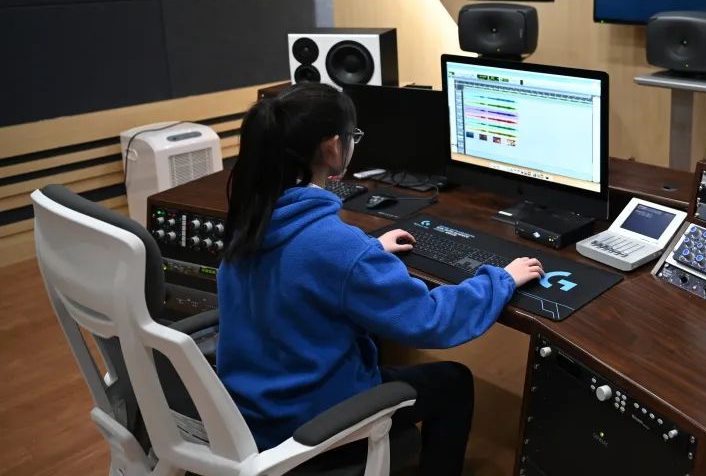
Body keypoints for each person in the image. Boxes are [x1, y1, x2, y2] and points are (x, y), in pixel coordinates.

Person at [216, 83, 544, 475]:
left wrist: (368, 252)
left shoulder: (252, 218)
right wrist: (501, 279)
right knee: (454, 381)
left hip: (252, 413)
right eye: (353, 136)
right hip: (312, 426)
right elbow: (431, 320)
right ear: (332, 148)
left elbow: (305, 267)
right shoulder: (336, 247)